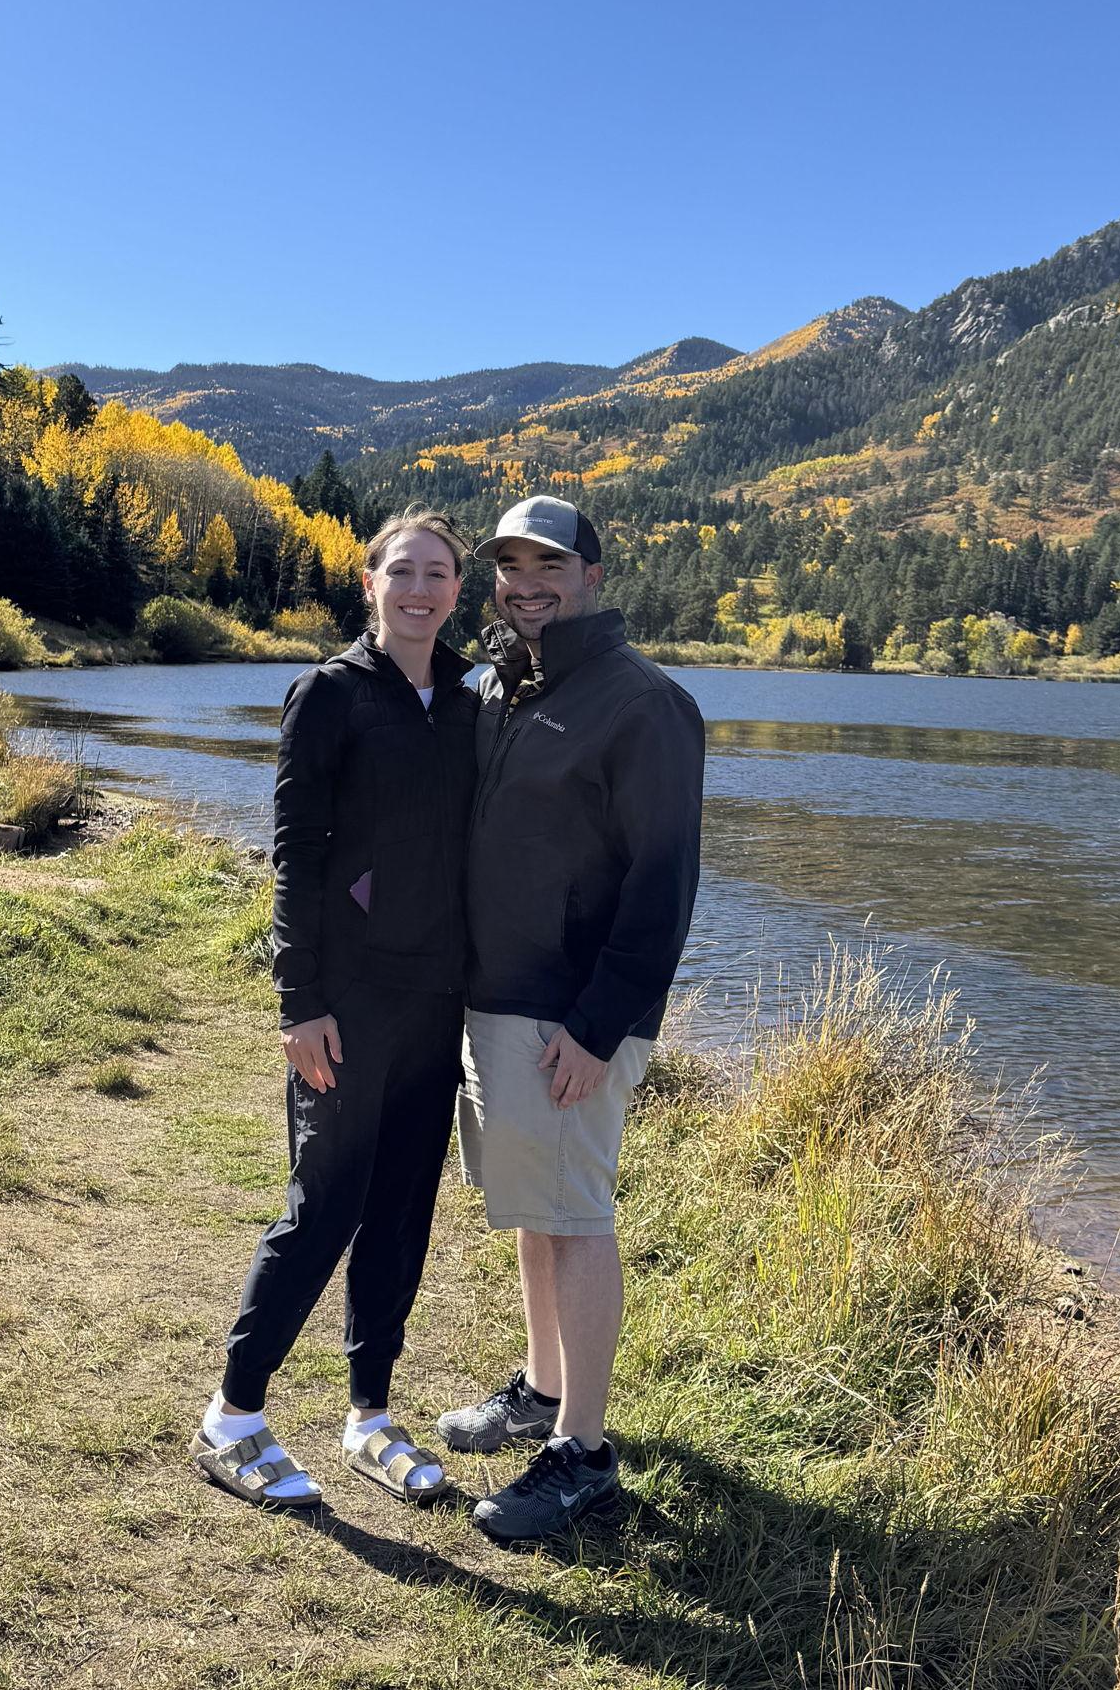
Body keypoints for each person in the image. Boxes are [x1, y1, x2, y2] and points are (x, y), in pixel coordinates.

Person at [192, 513, 480, 1510]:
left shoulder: (469, 700)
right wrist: (299, 1000)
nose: (419, 588)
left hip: (437, 1000)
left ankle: (368, 1416)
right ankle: (232, 1415)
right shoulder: (328, 694)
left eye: (437, 573)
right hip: (348, 1002)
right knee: (325, 1205)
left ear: (457, 589)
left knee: (401, 1209)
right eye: (402, 570)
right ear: (369, 582)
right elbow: (295, 856)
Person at [437, 494, 705, 1544]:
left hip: (567, 1016)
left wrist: (597, 1026)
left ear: (593, 575)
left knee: (576, 1212)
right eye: (510, 565)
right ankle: (542, 1387)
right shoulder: (503, 683)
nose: (526, 582)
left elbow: (661, 885)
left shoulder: (645, 704)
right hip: (497, 996)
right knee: (534, 1206)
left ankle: (582, 1452)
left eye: (549, 563)